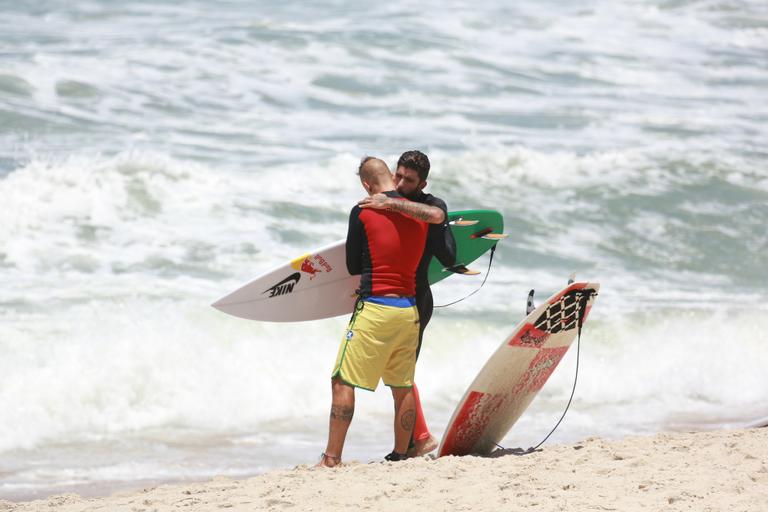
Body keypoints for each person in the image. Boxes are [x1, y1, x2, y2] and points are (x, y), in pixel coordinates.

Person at [317, 157, 428, 468]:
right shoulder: (419, 211)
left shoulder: (363, 210)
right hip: (409, 310)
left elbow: (353, 265)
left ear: (367, 185)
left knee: (342, 382)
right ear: (392, 176)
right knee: (402, 385)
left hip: (375, 308)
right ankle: (402, 452)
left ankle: (331, 458)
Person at [357, 150, 457, 457]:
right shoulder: (384, 202)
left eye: (409, 180)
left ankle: (420, 439)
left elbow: (439, 218)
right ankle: (418, 438)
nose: (399, 183)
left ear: (422, 182)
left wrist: (392, 203)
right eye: (397, 175)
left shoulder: (428, 206)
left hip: (416, 300)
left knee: (401, 374)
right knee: (395, 372)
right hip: (386, 298)